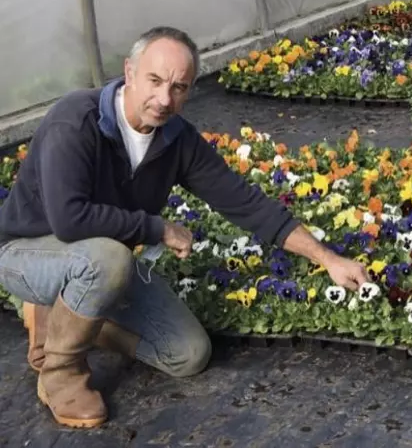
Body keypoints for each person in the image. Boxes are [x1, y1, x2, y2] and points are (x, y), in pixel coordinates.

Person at [0, 26, 369, 429]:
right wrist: (157, 229)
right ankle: (60, 372)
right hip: (26, 252)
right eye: (155, 81)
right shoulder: (76, 120)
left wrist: (328, 258)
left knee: (188, 354)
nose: (164, 99)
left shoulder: (177, 139)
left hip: (100, 258)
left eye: (179, 87)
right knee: (107, 259)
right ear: (130, 71)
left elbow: (244, 201)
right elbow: (70, 220)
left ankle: (71, 318)